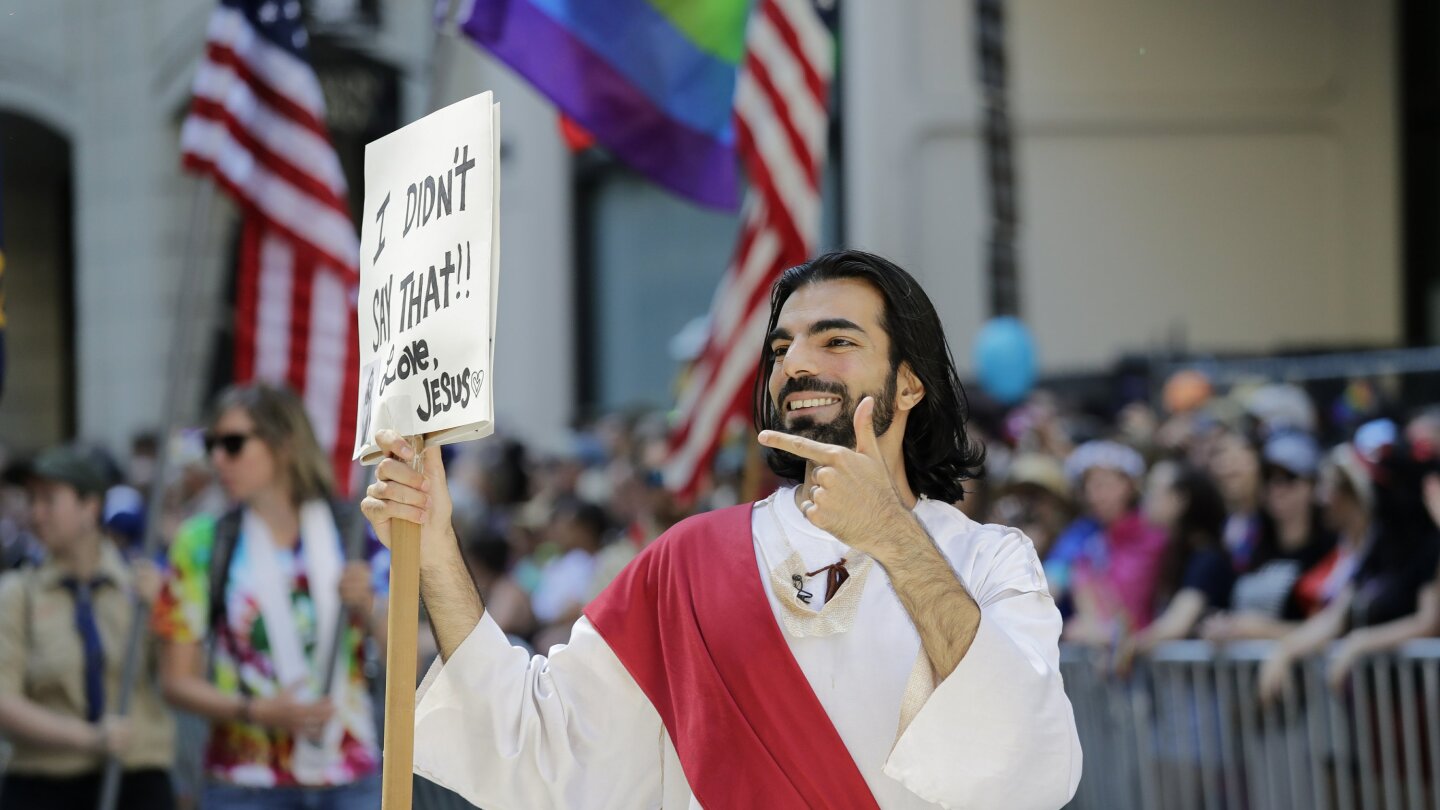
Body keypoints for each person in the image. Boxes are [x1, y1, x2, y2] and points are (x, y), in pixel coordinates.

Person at [364, 250, 1082, 809]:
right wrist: (436, 551)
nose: (797, 362)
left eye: (836, 341)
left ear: (908, 383)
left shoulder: (991, 560)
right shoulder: (689, 559)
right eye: (782, 348)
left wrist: (891, 538)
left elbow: (1023, 760)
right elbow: (544, 740)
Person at [152, 383, 384, 808]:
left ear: (285, 444)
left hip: (353, 777)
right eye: (212, 445)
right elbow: (175, 682)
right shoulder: (201, 541)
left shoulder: (354, 530)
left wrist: (370, 606)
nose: (218, 459)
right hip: (245, 782)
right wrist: (257, 711)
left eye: (234, 444)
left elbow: (403, 658)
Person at [0, 445, 176, 809]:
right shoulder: (18, 595)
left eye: (49, 500)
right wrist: (88, 738)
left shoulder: (137, 586)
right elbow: (4, 701)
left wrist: (166, 611)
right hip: (46, 782)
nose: (36, 514)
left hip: (135, 777)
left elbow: (180, 678)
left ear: (89, 507)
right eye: (31, 499)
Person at [1203, 432, 1335, 642]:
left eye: (1288, 479)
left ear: (1311, 485)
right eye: (1268, 480)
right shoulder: (1252, 545)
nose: (1276, 490)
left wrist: (1260, 630)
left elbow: (1334, 626)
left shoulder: (1331, 550)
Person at [1047, 440, 1167, 644]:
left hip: (1145, 652)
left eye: (1104, 484)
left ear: (1129, 485)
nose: (1095, 495)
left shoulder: (1154, 535)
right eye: (1089, 487)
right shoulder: (1083, 538)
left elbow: (1133, 611)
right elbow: (1054, 585)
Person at [1117, 460, 1232, 669]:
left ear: (1181, 500)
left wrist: (1129, 648)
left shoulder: (1207, 557)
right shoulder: (1175, 556)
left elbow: (1177, 624)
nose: (1145, 500)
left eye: (1153, 490)